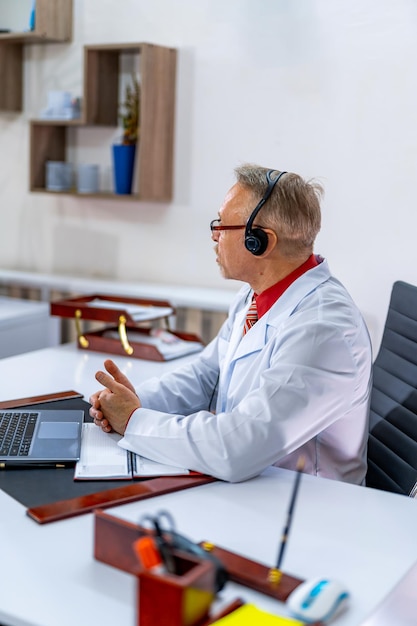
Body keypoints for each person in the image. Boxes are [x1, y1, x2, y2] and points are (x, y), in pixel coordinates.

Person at [90, 164, 372, 484]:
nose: (214, 238)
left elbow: (236, 448)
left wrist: (134, 421)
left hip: (308, 508)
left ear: (260, 241)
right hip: (254, 486)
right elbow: (205, 376)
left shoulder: (324, 331)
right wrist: (130, 399)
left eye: (222, 227)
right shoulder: (254, 297)